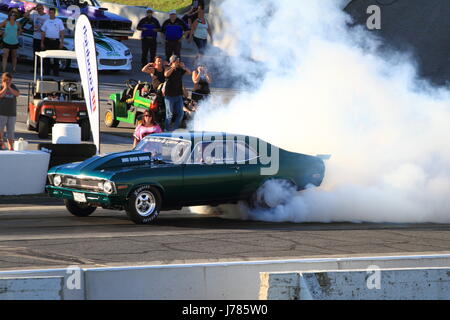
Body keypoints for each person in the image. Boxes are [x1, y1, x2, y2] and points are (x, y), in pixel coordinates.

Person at [164, 55, 191, 131]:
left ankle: (175, 129)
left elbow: (189, 72)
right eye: (176, 61)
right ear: (172, 62)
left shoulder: (180, 69)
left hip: (178, 95)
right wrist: (173, 67)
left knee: (181, 113)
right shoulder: (168, 68)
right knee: (170, 115)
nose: (178, 62)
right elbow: (166, 74)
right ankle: (167, 129)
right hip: (169, 95)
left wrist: (184, 67)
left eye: (178, 61)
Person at [40, 8, 65, 76]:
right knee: (46, 58)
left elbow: (62, 32)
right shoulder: (46, 21)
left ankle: (56, 73)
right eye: (50, 12)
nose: (51, 14)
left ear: (55, 13)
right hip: (47, 40)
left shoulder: (59, 21)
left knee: (56, 58)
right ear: (49, 13)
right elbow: (43, 32)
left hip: (56, 41)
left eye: (52, 13)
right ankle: (46, 72)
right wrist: (42, 42)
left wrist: (61, 42)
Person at [0, 72, 20, 151]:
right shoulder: (1, 87)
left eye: (9, 80)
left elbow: (17, 94)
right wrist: (5, 87)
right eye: (6, 80)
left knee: (11, 131)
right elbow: (1, 95)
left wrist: (10, 87)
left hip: (12, 113)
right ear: (3, 80)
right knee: (0, 130)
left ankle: (11, 147)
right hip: (1, 113)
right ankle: (1, 145)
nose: (8, 82)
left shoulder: (13, 86)